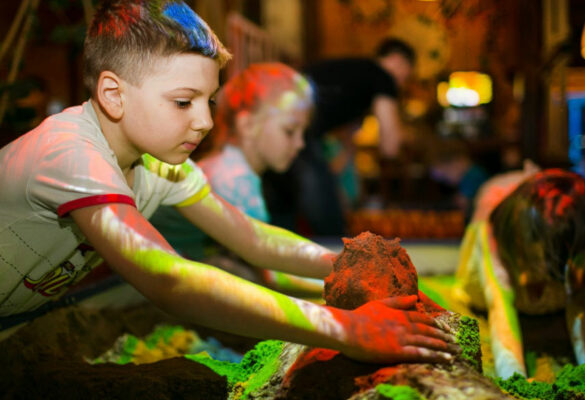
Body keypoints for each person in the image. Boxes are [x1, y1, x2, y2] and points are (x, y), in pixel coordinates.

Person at [0, 0, 459, 365]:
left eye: (210, 101)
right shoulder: (72, 154)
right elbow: (171, 280)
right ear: (113, 95)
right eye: (183, 102)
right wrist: (343, 327)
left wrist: (351, 266)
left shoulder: (161, 166)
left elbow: (253, 239)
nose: (203, 121)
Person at [150, 62, 322, 293]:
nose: (300, 144)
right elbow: (267, 259)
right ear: (248, 125)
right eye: (290, 131)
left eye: (303, 133)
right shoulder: (234, 180)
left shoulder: (226, 165)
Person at [454, 164, 585, 378]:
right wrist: (514, 376)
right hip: (507, 218)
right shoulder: (496, 231)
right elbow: (500, 305)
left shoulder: (582, 235)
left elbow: (584, 303)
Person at [263, 38, 415, 236]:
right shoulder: (382, 76)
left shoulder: (356, 76)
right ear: (397, 60)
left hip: (272, 124)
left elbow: (347, 143)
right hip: (294, 131)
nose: (402, 83)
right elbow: (390, 146)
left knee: (282, 211)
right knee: (331, 228)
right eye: (406, 76)